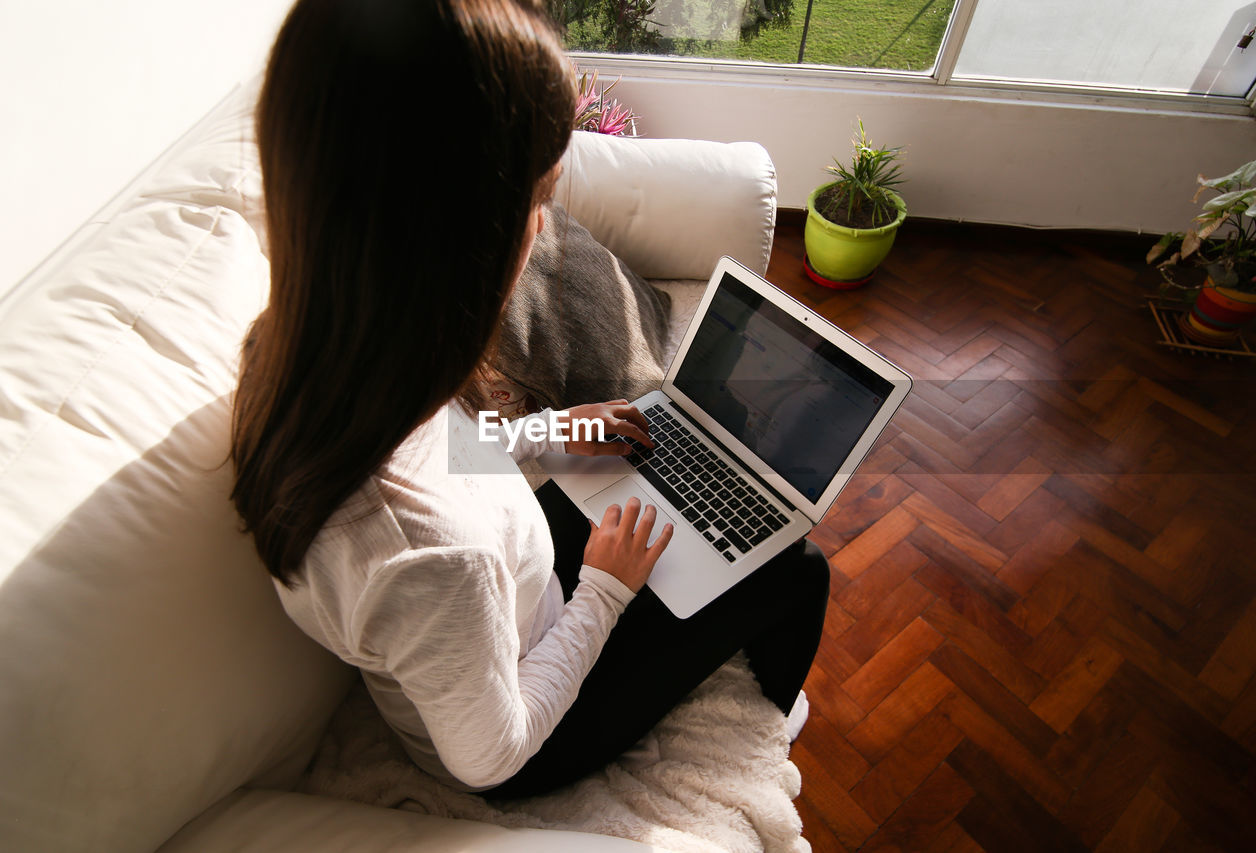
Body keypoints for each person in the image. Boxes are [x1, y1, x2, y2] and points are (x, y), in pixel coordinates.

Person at [231, 0, 829, 799]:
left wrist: (551, 433)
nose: (543, 227)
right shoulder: (431, 555)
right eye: (532, 206)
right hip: (532, 724)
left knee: (670, 470)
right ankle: (770, 718)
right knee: (792, 567)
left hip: (513, 591)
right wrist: (607, 590)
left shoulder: (305, 354)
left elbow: (436, 453)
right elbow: (495, 752)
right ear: (459, 256)